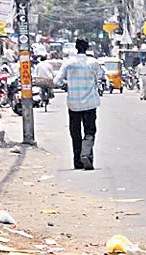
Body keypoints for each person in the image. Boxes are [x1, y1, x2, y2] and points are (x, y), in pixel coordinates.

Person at [54, 38, 101, 171]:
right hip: (90, 102)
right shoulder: (94, 63)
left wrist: (67, 84)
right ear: (87, 48)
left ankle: (77, 161)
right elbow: (97, 79)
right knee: (90, 131)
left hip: (73, 103)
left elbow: (57, 81)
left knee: (75, 132)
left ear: (76, 48)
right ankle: (86, 154)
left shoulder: (68, 63)